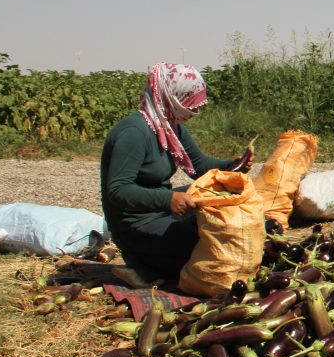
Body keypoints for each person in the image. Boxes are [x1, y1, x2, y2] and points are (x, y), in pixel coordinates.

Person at [101, 63, 252, 287]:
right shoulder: (134, 133)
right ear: (171, 97)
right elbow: (118, 190)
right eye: (189, 103)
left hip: (161, 211)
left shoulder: (169, 126)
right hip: (136, 224)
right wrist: (168, 200)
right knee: (210, 246)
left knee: (224, 210)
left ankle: (160, 260)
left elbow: (199, 166)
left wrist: (231, 165)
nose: (194, 111)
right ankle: (142, 266)